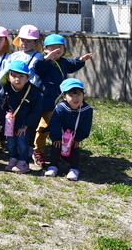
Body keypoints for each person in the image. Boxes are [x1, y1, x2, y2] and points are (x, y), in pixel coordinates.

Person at [31, 34, 93, 166]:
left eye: (59, 48)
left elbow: (73, 65)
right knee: (33, 125)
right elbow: (37, 69)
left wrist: (81, 60)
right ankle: (33, 150)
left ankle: (45, 150)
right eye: (52, 48)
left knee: (48, 127)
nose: (56, 50)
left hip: (54, 102)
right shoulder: (44, 61)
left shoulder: (64, 62)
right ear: (45, 49)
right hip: (40, 99)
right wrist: (46, 58)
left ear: (64, 49)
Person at [0, 61, 42, 174]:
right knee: (10, 142)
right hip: (9, 123)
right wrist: (3, 122)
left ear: (27, 77)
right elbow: (0, 107)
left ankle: (23, 162)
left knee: (22, 142)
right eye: (14, 76)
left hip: (25, 124)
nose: (17, 79)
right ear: (8, 76)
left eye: (21, 76)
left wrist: (27, 125)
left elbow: (36, 111)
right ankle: (13, 158)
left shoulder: (33, 92)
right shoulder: (5, 90)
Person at [44, 78, 94, 181]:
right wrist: (56, 137)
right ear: (64, 97)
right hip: (60, 133)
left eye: (79, 94)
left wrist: (78, 138)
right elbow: (54, 123)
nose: (76, 98)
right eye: (71, 95)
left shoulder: (87, 110)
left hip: (74, 135)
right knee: (56, 147)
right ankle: (53, 166)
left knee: (74, 149)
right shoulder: (60, 108)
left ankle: (74, 168)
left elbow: (86, 126)